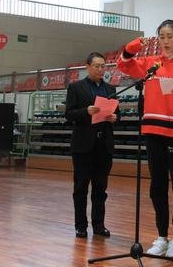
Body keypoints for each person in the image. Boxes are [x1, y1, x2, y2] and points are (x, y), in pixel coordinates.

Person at [117, 20, 173, 259]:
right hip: (153, 131)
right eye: (161, 37)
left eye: (169, 36)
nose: (165, 41)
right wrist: (132, 48)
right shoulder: (152, 63)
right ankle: (161, 237)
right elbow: (123, 65)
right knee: (157, 187)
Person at [65, 52, 119, 239]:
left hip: (104, 145)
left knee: (100, 189)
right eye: (96, 66)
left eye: (103, 66)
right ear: (87, 67)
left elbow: (117, 114)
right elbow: (69, 114)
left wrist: (114, 117)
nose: (100, 69)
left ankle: (99, 225)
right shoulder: (76, 88)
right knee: (81, 188)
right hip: (83, 146)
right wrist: (86, 111)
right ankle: (80, 225)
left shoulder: (110, 89)